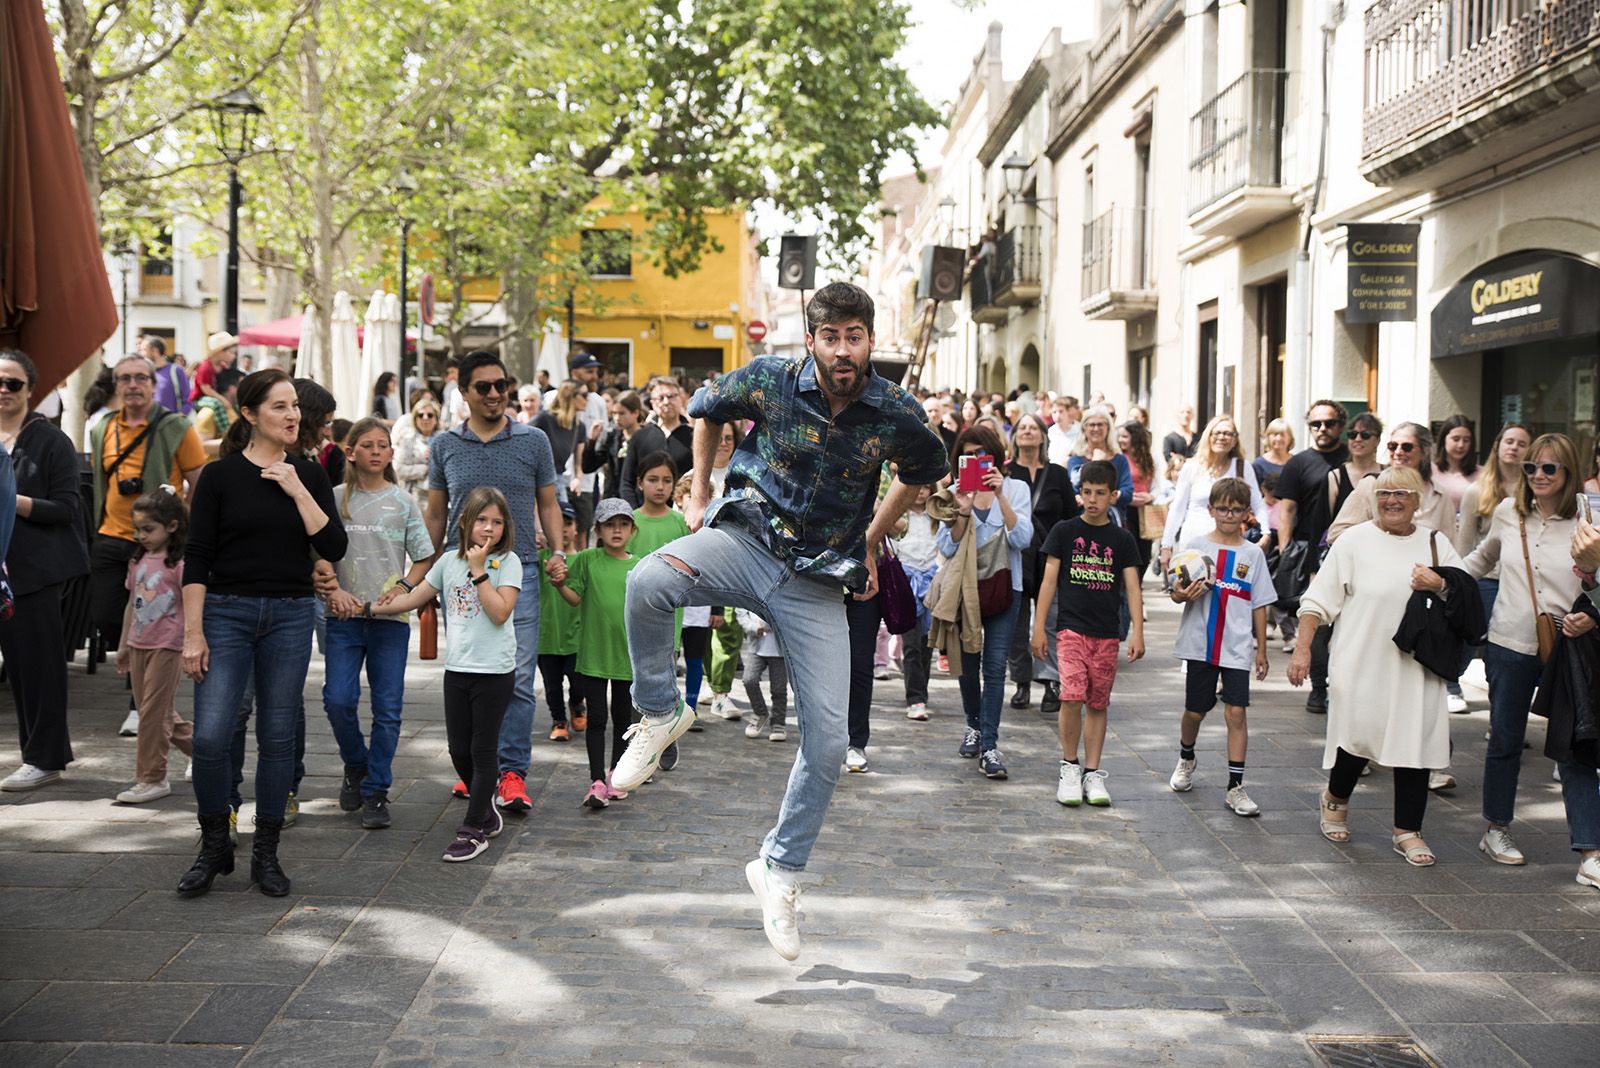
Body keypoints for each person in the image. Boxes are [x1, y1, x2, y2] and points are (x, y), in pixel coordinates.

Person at [607, 281, 946, 960]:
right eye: (831, 336)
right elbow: (706, 411)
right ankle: (659, 712)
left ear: (870, 340)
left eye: (855, 336)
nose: (843, 350)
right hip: (744, 541)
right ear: (812, 336)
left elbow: (923, 469)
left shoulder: (896, 412)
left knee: (827, 744)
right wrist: (699, 491)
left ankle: (779, 871)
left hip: (817, 582)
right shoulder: (769, 379)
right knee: (647, 581)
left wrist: (874, 538)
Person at [179, 368, 348, 898]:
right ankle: (214, 844)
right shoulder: (219, 477)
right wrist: (192, 634)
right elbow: (197, 558)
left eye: (295, 405)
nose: (293, 415)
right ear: (250, 415)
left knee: (277, 738)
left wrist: (298, 488)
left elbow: (335, 546)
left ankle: (267, 854)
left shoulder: (309, 474)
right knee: (209, 737)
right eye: (279, 406)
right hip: (224, 614)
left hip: (290, 614)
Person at [1288, 466, 1463, 867]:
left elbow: (1464, 591)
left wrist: (1438, 584)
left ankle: (1408, 830)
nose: (1392, 501)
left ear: (1418, 501)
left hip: (1418, 666)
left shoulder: (1435, 543)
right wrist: (1301, 651)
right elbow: (1317, 601)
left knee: (1413, 745)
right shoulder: (1354, 541)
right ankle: (1335, 797)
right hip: (1361, 660)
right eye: (1384, 493)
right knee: (1357, 737)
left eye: (1402, 493)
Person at [426, 350, 566, 814]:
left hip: (519, 569)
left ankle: (510, 773)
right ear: (463, 392)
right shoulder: (445, 445)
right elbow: (435, 512)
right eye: (482, 386)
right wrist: (422, 575)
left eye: (500, 385)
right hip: (460, 573)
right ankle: (476, 771)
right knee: (467, 672)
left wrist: (557, 551)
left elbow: (548, 503)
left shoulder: (533, 441)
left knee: (519, 679)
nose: (493, 394)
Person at [375, 487, 520, 861]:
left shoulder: (509, 562)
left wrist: (479, 571)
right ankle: (486, 812)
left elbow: (500, 612)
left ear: (506, 527)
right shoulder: (446, 563)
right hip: (457, 670)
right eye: (482, 520)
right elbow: (414, 597)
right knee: (459, 750)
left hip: (494, 671)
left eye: (497, 522)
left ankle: (473, 830)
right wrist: (370, 608)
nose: (488, 529)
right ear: (464, 522)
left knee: (483, 750)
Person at [1461, 433, 1585, 867]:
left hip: (1569, 645)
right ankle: (1496, 829)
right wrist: (1444, 580)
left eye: (1549, 468)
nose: (1537, 476)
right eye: (1531, 467)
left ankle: (1589, 847)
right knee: (1506, 740)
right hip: (1509, 642)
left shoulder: (1587, 520)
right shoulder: (1508, 512)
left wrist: (1591, 614)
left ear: (1568, 473)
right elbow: (1481, 559)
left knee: (1573, 745)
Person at [319, 419, 435, 829]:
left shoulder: (402, 502)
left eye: (382, 445)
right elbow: (316, 549)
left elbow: (424, 556)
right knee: (338, 699)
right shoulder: (334, 500)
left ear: (390, 453)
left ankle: (377, 791)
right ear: (349, 452)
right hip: (343, 617)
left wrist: (405, 585)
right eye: (366, 445)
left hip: (390, 619)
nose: (375, 451)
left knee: (388, 709)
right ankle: (356, 764)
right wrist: (329, 587)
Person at [88, 353, 208, 736]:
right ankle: (140, 685)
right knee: (106, 615)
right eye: (125, 379)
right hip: (111, 534)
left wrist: (181, 525)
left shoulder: (176, 426)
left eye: (141, 377)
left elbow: (198, 481)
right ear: (116, 385)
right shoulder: (102, 427)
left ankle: (140, 704)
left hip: (157, 545)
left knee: (154, 624)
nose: (133, 385)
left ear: (153, 384)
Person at [0, 349, 91, 792]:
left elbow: (67, 509)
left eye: (12, 383)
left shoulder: (50, 441)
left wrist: (9, 501)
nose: (3, 390)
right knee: (17, 669)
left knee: (37, 667)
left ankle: (44, 757)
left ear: (31, 390)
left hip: (33, 571)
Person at [1032, 459, 1144, 808]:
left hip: (1107, 633)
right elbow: (1048, 581)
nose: (1093, 499)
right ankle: (1069, 765)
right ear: (1079, 494)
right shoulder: (1064, 532)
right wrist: (1039, 627)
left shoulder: (1121, 539)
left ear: (1113, 495)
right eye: (1086, 492)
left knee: (1097, 702)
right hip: (1070, 630)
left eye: (1100, 493)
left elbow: (1133, 588)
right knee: (1071, 695)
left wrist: (1138, 630)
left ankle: (1093, 772)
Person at [1167, 478, 1275, 817]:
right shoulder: (1196, 546)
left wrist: (1261, 650)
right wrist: (1180, 594)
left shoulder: (1253, 554)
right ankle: (1186, 756)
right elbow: (1176, 590)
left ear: (1246, 513)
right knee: (1195, 711)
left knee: (1236, 712)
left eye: (1237, 509)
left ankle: (1235, 787)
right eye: (1223, 508)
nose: (1230, 515)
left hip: (1237, 645)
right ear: (1211, 509)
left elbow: (1260, 603)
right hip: (1201, 643)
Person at [937, 424, 1033, 779]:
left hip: (1007, 589)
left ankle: (990, 745)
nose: (976, 460)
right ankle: (973, 725)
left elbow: (1022, 539)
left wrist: (1000, 496)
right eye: (969, 454)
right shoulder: (953, 491)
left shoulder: (1016, 488)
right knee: (967, 663)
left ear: (994, 455)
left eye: (982, 453)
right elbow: (946, 547)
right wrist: (962, 507)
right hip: (967, 591)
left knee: (995, 668)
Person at [552, 497, 639, 808]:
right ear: (598, 530)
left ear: (632, 529)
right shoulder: (588, 559)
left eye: (623, 524)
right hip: (592, 655)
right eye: (609, 525)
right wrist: (559, 584)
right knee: (597, 717)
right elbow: (574, 598)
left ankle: (617, 774)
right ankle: (596, 780)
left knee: (622, 718)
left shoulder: (639, 565)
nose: (617, 530)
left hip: (626, 656)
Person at [112, 487, 194, 803]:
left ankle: (152, 778)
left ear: (172, 526)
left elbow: (193, 605)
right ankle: (201, 751)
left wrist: (192, 644)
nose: (141, 536)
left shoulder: (180, 565)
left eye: (148, 529)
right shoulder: (139, 560)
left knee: (151, 714)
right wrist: (123, 647)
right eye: (138, 530)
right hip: (139, 644)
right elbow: (132, 605)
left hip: (167, 645)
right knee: (158, 712)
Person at [1271, 400, 1351, 714]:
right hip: (1311, 551)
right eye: (1315, 424)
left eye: (1329, 423)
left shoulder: (1352, 458)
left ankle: (1345, 685)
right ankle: (1319, 687)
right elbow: (1286, 510)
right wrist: (1285, 549)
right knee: (1316, 621)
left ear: (1340, 426)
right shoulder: (1299, 463)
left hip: (1352, 551)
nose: (1322, 430)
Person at [1005, 412, 1075, 714]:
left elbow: (1071, 516)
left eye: (1034, 427)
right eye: (1023, 427)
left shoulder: (1057, 474)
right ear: (1015, 436)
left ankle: (1050, 681)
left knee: (1051, 621)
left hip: (1052, 558)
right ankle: (1021, 682)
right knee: (1016, 624)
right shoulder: (1005, 473)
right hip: (1017, 556)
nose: (1028, 432)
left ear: (1043, 436)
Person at [1159, 416, 1270, 573]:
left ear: (1234, 440)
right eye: (1217, 433)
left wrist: (1266, 532)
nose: (1222, 438)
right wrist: (1166, 545)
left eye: (1227, 433)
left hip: (1229, 541)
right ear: (1208, 436)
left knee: (1228, 593)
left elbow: (1257, 503)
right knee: (1193, 592)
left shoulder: (1242, 467)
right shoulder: (1191, 467)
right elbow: (1177, 508)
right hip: (1193, 542)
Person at [1328, 422, 1457, 544]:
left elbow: (1450, 545)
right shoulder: (1371, 485)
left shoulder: (1439, 494)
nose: (1398, 452)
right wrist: (1381, 538)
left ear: (1425, 451)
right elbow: (1336, 534)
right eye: (1393, 446)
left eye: (1407, 447)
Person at [702, 420, 748, 721]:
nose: (723, 443)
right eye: (718, 437)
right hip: (702, 558)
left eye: (729, 438)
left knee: (728, 628)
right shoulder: (696, 476)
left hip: (735, 558)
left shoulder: (744, 474)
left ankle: (722, 692)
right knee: (701, 629)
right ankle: (710, 682)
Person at [894, 484, 941, 721]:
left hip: (932, 584)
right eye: (917, 486)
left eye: (926, 487)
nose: (921, 491)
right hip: (908, 582)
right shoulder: (901, 518)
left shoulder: (937, 518)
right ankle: (915, 698)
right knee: (910, 644)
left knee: (927, 644)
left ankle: (921, 692)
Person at [538, 504, 584, 742]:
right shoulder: (541, 560)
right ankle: (559, 720)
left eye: (568, 523)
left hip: (577, 638)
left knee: (579, 683)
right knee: (552, 686)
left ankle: (577, 704)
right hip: (546, 638)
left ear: (576, 529)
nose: (563, 529)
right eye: (557, 524)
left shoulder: (584, 560)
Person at [1066, 407, 1134, 525]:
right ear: (1084, 429)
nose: (1096, 428)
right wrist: (1095, 462)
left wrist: (1102, 500)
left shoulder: (1119, 459)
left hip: (1113, 523)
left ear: (1108, 428)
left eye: (1100, 424)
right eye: (1092, 425)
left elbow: (1127, 493)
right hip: (1082, 522)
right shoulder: (1075, 459)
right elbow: (1074, 490)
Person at [1119, 419, 1164, 583]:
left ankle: (1136, 587)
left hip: (1145, 512)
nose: (1120, 440)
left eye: (1124, 436)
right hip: (1124, 510)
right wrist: (1127, 498)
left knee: (1144, 555)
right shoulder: (1118, 458)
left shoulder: (1150, 458)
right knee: (1126, 553)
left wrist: (1150, 496)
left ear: (1135, 437)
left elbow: (1158, 485)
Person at [533, 380, 584, 507]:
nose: (587, 399)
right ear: (570, 396)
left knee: (563, 518)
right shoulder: (545, 418)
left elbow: (578, 463)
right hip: (537, 478)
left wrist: (577, 479)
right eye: (584, 395)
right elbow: (522, 437)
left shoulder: (579, 426)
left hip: (559, 478)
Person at [392, 394, 442, 507]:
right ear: (415, 418)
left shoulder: (444, 440)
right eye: (420, 415)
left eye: (430, 415)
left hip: (438, 497)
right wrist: (424, 469)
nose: (425, 418)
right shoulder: (407, 439)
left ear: (436, 419)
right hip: (413, 496)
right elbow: (399, 469)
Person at [646, 375, 695, 476]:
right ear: (652, 403)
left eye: (671, 396)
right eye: (660, 398)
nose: (666, 402)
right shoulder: (643, 435)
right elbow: (628, 480)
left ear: (680, 399)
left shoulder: (693, 435)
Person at [1432, 414, 1478, 514]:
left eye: (1466, 440)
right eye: (1456, 439)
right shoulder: (1428, 471)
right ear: (1444, 439)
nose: (1461, 445)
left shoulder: (1483, 474)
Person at [192, 367, 242, 456]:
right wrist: (239, 442)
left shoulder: (235, 408)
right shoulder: (209, 412)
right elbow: (202, 445)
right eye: (242, 386)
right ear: (231, 388)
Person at [144, 336, 191, 416]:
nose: (141, 354)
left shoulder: (176, 371)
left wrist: (178, 417)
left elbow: (188, 400)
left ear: (155, 351)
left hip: (172, 424)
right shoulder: (145, 373)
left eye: (144, 350)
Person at [189, 332, 238, 406]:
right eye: (231, 353)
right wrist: (222, 399)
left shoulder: (221, 366)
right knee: (217, 404)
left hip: (212, 396)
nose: (234, 356)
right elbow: (206, 389)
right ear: (220, 352)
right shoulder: (205, 367)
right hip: (200, 398)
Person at [1253, 418, 1295, 484]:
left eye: (1282, 435)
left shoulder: (1297, 463)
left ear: (1290, 438)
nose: (1278, 438)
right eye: (1275, 435)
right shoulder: (1258, 465)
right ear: (1268, 437)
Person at [1047, 394, 1082, 465]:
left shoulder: (1079, 430)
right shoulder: (1050, 431)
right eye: (1054, 412)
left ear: (1067, 411)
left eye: (1061, 411)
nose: (1058, 415)